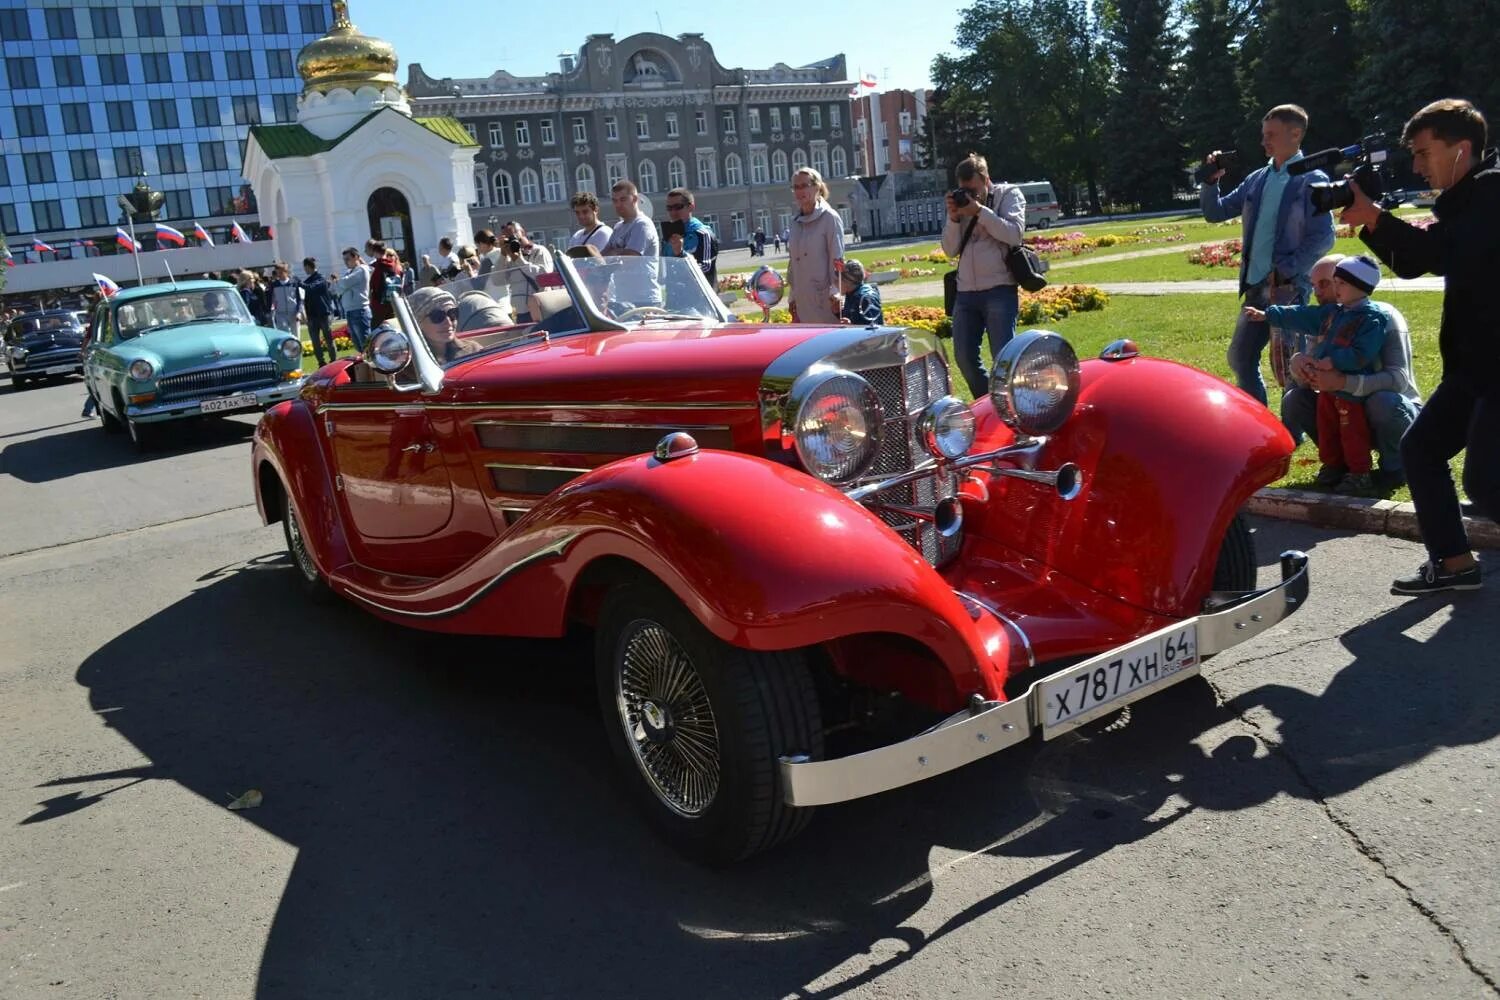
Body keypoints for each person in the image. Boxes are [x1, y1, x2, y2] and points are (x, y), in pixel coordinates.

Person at [1341, 98, 1500, 594]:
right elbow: (1414, 262)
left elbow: (1446, 252)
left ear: (1463, 148)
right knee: (1422, 448)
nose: (1416, 164)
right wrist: (1371, 220)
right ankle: (1454, 564)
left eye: (1424, 152)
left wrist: (1376, 218)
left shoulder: (1493, 192)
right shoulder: (1465, 198)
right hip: (1476, 364)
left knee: (1487, 484)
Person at [1200, 104, 1337, 406]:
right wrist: (1211, 182)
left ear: (1296, 134)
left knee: (1290, 368)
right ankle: (1260, 425)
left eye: (1271, 135)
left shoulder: (1311, 178)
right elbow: (1215, 212)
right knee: (1240, 358)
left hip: (1287, 291)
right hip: (1254, 289)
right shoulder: (1257, 178)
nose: (1264, 141)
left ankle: (1293, 430)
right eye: (1264, 135)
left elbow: (1324, 236)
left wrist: (1287, 268)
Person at [1275, 254, 1421, 490]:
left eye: (1325, 283)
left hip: (1391, 413)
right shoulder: (1327, 317)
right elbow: (1308, 378)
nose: (1318, 292)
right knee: (1295, 400)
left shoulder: (1382, 317)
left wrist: (1343, 382)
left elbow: (1398, 381)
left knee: (1382, 402)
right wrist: (1299, 363)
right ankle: (1338, 464)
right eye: (1314, 286)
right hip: (1343, 410)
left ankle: (1395, 467)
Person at [1248, 255, 1388, 493]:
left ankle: (1359, 473)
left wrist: (1332, 361)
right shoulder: (1333, 313)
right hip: (1326, 389)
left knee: (1352, 432)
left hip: (1349, 393)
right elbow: (1301, 315)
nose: (1336, 288)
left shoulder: (1372, 318)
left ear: (1360, 287)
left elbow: (1362, 354)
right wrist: (1268, 314)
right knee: (1327, 428)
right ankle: (1333, 466)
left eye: (1341, 283)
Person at [941, 152, 1026, 397]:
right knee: (964, 359)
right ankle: (989, 403)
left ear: (986, 180)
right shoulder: (960, 205)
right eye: (964, 190)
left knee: (1004, 360)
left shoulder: (1008, 195)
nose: (969, 195)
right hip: (966, 293)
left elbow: (1014, 234)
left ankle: (1009, 405)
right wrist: (954, 219)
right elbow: (949, 249)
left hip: (999, 289)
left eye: (974, 190)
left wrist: (980, 211)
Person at [786, 167, 846, 325]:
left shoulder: (829, 218)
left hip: (825, 300)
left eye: (804, 186)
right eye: (796, 187)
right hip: (801, 300)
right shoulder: (794, 222)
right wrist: (792, 294)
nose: (800, 191)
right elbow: (793, 261)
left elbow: (837, 258)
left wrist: (836, 290)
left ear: (817, 187)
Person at [602, 180, 661, 307]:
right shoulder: (618, 227)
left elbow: (631, 257)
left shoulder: (642, 224)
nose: (618, 204)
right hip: (623, 298)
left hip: (645, 299)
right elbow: (603, 257)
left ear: (634, 199)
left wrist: (615, 252)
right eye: (614, 200)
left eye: (623, 199)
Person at [659, 187, 718, 288]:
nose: (673, 212)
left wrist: (681, 254)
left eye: (678, 207)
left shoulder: (702, 233)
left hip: (700, 296)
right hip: (675, 297)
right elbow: (663, 268)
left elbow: (705, 267)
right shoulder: (667, 236)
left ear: (691, 207)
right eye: (669, 208)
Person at [499, 222, 554, 322]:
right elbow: (498, 281)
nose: (511, 238)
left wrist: (519, 260)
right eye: (507, 237)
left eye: (514, 233)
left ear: (523, 232)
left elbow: (544, 276)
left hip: (540, 308)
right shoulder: (508, 258)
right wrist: (502, 255)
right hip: (520, 313)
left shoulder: (538, 251)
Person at [407, 286, 476, 364]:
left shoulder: (473, 351)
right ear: (417, 323)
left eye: (452, 313)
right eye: (437, 316)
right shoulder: (409, 366)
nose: (448, 322)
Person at [333, 247, 372, 351]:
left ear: (356, 257)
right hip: (350, 311)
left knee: (366, 344)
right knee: (358, 345)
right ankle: (365, 365)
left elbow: (344, 283)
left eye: (348, 259)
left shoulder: (362, 269)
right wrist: (341, 284)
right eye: (344, 260)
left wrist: (340, 283)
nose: (345, 262)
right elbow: (338, 290)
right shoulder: (348, 272)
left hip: (360, 311)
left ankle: (373, 366)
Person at [300, 256, 337, 366]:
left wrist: (299, 283)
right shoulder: (307, 281)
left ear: (308, 266)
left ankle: (333, 360)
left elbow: (310, 287)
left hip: (323, 314)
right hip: (312, 315)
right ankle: (321, 362)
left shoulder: (321, 278)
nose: (304, 270)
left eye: (305, 267)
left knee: (328, 339)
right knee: (315, 341)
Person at [839, 259, 884, 326]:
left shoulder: (866, 297)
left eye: (838, 279)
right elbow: (855, 317)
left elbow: (873, 327)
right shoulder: (851, 294)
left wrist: (851, 326)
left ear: (848, 281)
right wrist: (838, 312)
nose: (835, 283)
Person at [267, 261, 303, 335]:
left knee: (296, 335)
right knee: (284, 335)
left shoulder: (295, 283)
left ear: (286, 272)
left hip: (293, 313)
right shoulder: (274, 285)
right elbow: (272, 300)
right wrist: (271, 311)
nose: (278, 275)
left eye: (280, 272)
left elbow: (300, 299)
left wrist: (299, 312)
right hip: (280, 314)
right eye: (277, 273)